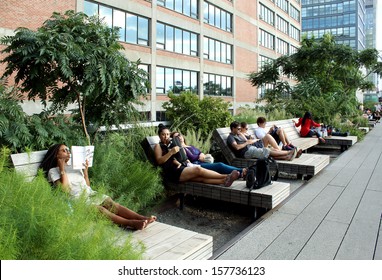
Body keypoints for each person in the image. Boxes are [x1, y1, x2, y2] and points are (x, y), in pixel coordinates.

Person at [39, 144, 156, 230]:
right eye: (64, 150)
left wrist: (85, 172)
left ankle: (141, 217)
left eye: (68, 149)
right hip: (76, 200)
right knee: (99, 209)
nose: (68, 152)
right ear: (56, 154)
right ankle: (130, 223)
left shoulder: (75, 165)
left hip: (89, 193)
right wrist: (62, 169)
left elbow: (87, 185)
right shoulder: (53, 171)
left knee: (111, 203)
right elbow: (64, 191)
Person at [154, 124, 240, 187]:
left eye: (168, 134)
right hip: (172, 173)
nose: (166, 136)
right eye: (163, 134)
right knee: (198, 169)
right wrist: (171, 152)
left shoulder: (170, 144)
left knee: (201, 178)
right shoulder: (158, 146)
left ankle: (225, 181)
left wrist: (177, 162)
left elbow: (172, 159)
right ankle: (227, 176)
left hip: (179, 167)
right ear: (159, 136)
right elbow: (159, 161)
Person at [170, 131, 247, 178]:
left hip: (203, 161)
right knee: (219, 165)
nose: (179, 137)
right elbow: (189, 159)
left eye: (179, 135)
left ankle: (240, 172)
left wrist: (202, 154)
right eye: (176, 137)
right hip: (197, 165)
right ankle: (241, 171)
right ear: (174, 140)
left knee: (219, 165)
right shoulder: (180, 149)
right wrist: (200, 156)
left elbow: (200, 152)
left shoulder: (190, 146)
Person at [227, 121, 302, 161]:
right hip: (246, 152)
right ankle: (289, 152)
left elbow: (246, 139)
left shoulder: (238, 134)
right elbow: (236, 147)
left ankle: (287, 156)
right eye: (238, 129)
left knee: (267, 151)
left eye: (240, 128)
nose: (240, 130)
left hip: (251, 149)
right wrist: (247, 142)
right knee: (266, 150)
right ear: (233, 128)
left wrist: (243, 136)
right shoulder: (230, 137)